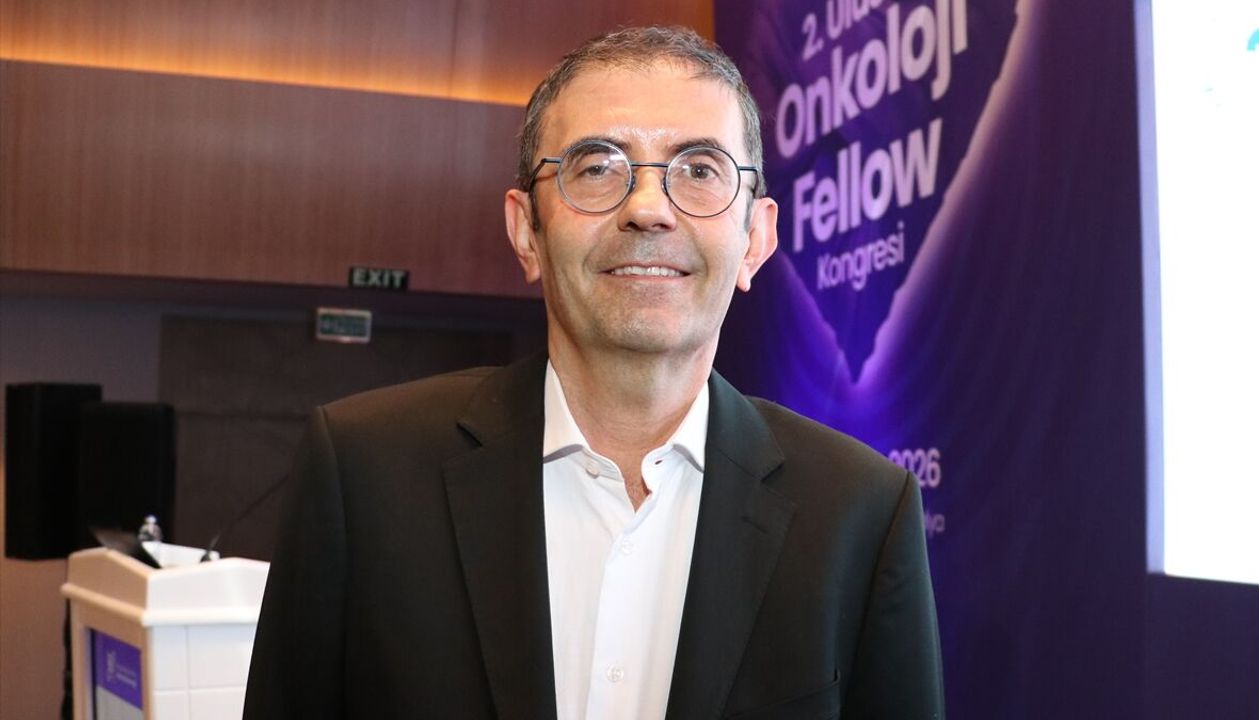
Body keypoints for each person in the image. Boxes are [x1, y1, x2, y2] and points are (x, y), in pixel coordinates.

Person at [244, 25, 944, 720]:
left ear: (755, 238)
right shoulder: (364, 473)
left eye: (700, 169)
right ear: (527, 231)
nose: (648, 210)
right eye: (598, 167)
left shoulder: (859, 513)